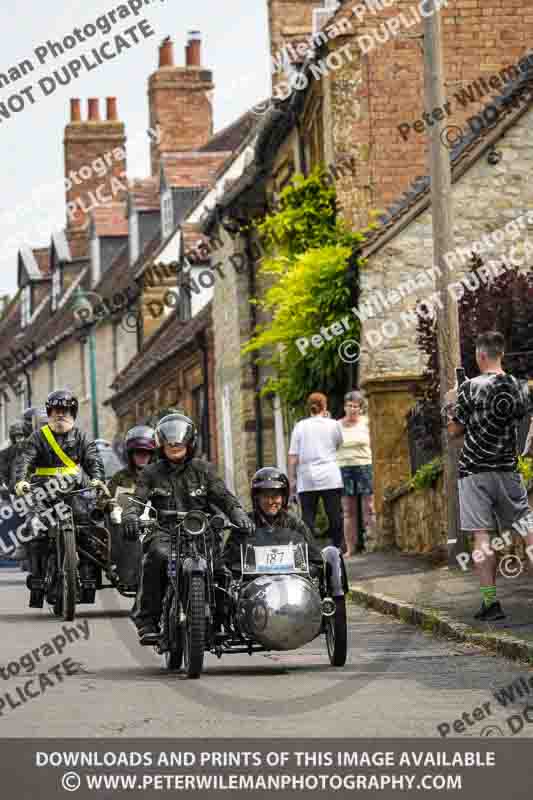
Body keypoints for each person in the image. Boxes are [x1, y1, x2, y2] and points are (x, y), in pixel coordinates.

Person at [122, 412, 254, 644]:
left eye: (179, 438)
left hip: (202, 532)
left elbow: (224, 496)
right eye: (169, 439)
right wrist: (131, 515)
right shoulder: (151, 473)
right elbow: (138, 499)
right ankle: (147, 620)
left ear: (190, 441)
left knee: (221, 569)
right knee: (155, 556)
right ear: (161, 443)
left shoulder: (204, 470)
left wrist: (238, 513)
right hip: (165, 532)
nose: (174, 443)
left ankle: (223, 617)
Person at [447, 331, 533, 621]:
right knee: (527, 527)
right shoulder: (519, 387)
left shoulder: (469, 388)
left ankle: (490, 603)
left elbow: (454, 431)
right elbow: (518, 417)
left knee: (481, 537)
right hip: (508, 469)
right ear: (502, 354)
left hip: (474, 471)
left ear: (480, 356)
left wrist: (454, 409)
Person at [14, 389, 108, 608]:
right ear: (49, 412)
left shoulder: (82, 436)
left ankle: (87, 576)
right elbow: (25, 460)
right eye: (56, 410)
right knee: (35, 527)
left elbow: (93, 459)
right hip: (42, 492)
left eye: (65, 410)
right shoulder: (38, 437)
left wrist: (97, 479)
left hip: (74, 491)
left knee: (89, 526)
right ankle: (37, 579)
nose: (60, 415)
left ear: (72, 412)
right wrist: (21, 481)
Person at [223, 467, 324, 575]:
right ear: (257, 498)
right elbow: (228, 564)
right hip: (256, 586)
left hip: (291, 586)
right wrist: (249, 571)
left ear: (283, 498)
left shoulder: (296, 524)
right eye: (265, 496)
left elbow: (316, 561)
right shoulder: (244, 526)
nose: (271, 502)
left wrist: (299, 572)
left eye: (275, 496)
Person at [287, 392, 344, 549]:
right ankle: (338, 547)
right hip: (330, 475)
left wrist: (292, 480)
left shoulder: (300, 426)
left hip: (307, 477)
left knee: (308, 517)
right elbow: (338, 444)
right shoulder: (333, 424)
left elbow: (293, 456)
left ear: (309, 408)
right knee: (334, 515)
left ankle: (309, 550)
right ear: (324, 406)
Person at [337, 391, 375, 557]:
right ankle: (350, 548)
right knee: (348, 510)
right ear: (345, 407)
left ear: (360, 409)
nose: (352, 409)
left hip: (364, 465)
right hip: (344, 468)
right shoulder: (336, 426)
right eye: (349, 405)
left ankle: (373, 543)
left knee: (369, 507)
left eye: (356, 406)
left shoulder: (367, 423)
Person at [107, 425, 156, 499]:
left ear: (151, 455)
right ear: (131, 455)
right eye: (138, 452)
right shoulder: (120, 477)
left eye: (145, 453)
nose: (142, 456)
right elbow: (105, 500)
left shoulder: (160, 477)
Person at [0, 422, 26, 493]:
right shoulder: (6, 452)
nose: (20, 440)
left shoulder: (30, 449)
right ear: (13, 439)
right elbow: (2, 469)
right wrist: (3, 482)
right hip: (12, 488)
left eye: (22, 437)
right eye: (18, 438)